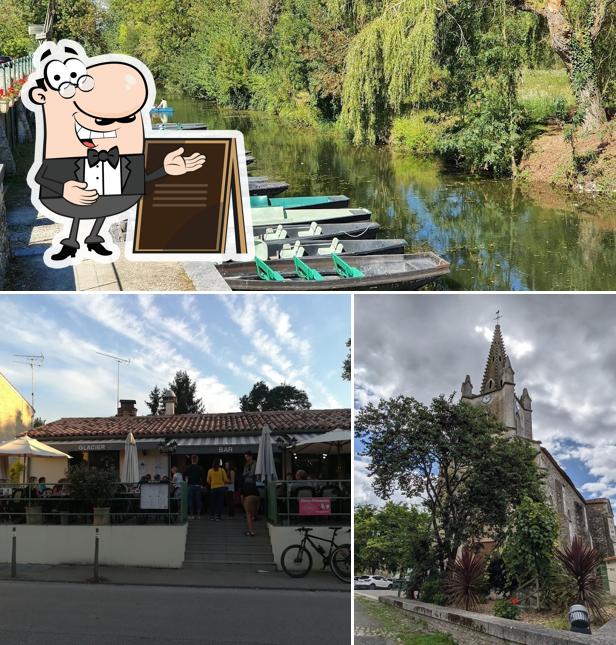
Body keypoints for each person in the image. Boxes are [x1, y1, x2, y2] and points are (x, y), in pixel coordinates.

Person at [183, 455, 205, 519]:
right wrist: (202, 485)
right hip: (198, 486)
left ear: (191, 460)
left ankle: (191, 515)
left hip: (190, 486)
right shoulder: (200, 468)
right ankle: (198, 515)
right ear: (197, 460)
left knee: (190, 500)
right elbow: (203, 478)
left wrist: (186, 481)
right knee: (198, 500)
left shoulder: (188, 468)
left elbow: (183, 475)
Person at [241, 470, 260, 537]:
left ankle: (251, 531)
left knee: (248, 515)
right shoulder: (254, 484)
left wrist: (243, 505)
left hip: (249, 498)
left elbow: (242, 497)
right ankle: (251, 527)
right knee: (253, 515)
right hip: (257, 497)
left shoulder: (244, 485)